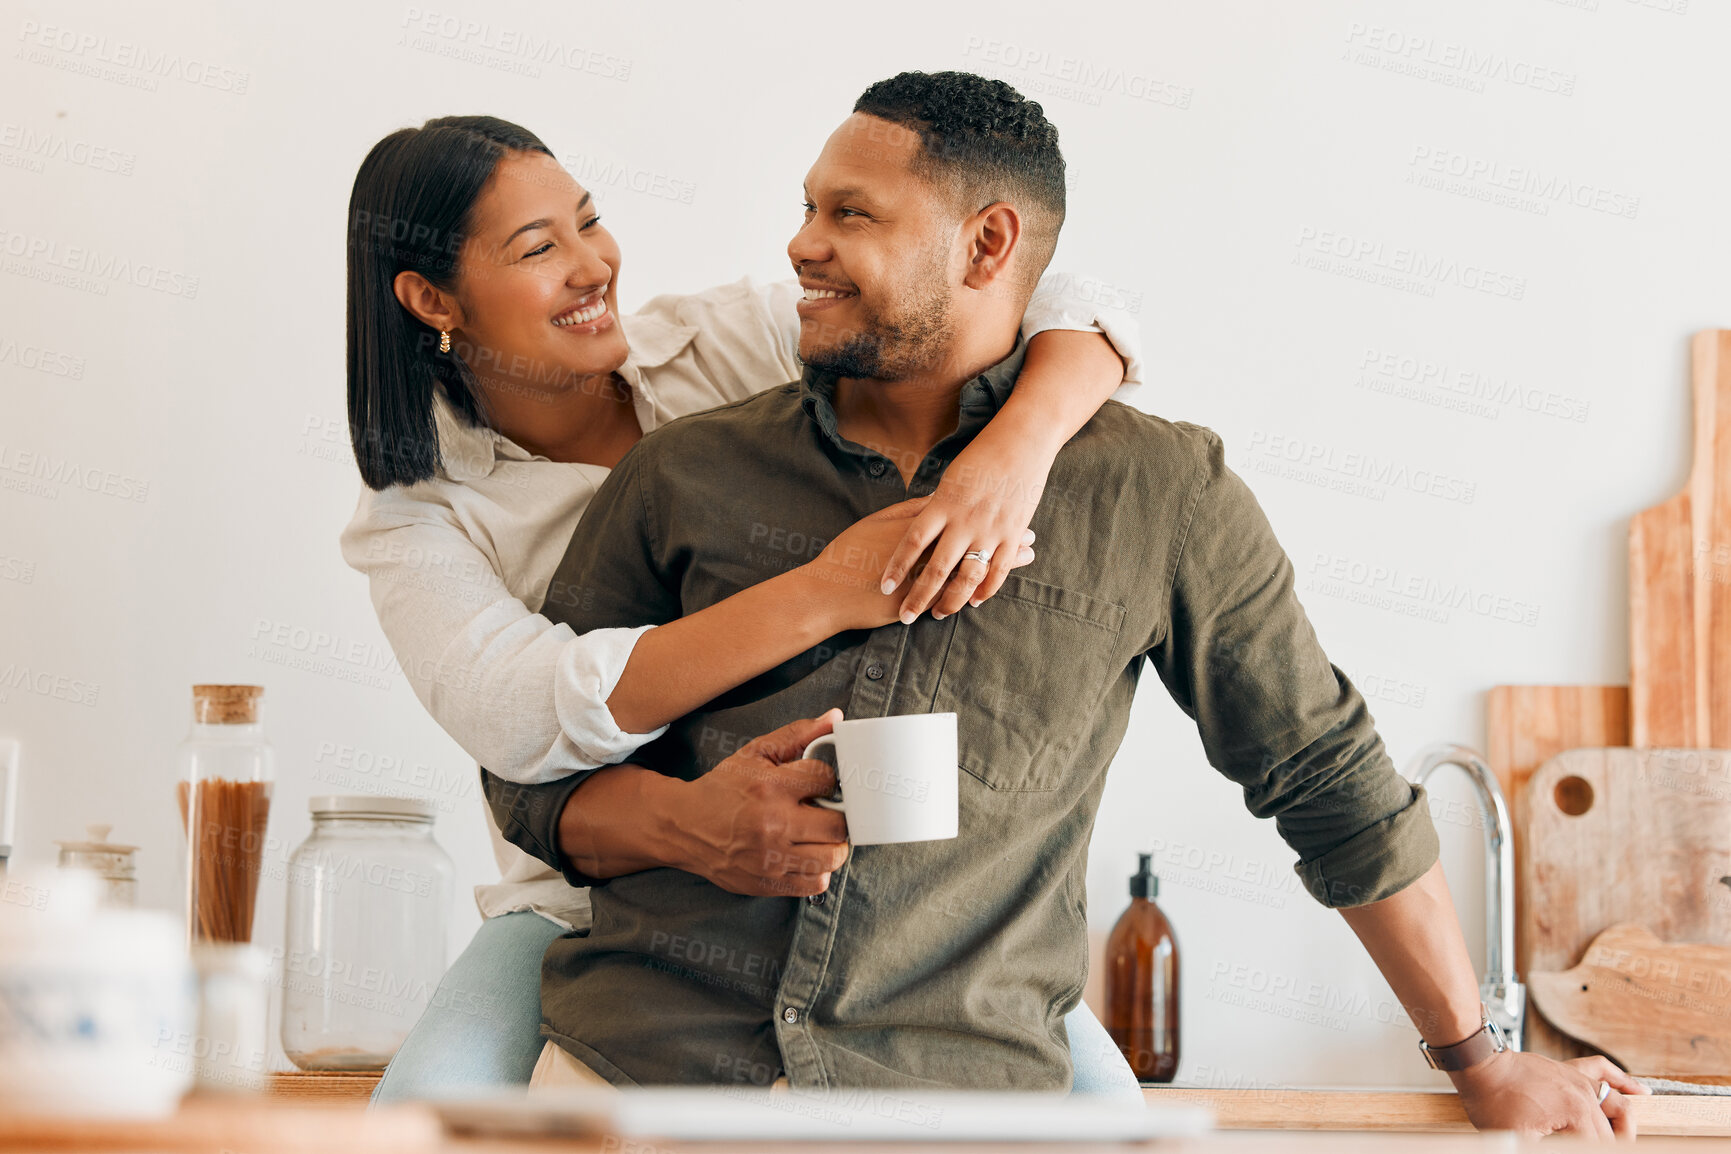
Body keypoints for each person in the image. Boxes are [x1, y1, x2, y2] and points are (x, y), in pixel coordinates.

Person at [485, 73, 1650, 1137]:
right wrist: (695, 823)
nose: (802, 244)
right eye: (808, 208)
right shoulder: (684, 471)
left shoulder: (1157, 493)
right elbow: (532, 779)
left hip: (954, 1107)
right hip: (633, 1085)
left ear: (989, 242)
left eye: (852, 214)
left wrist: (1480, 1060)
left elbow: (1323, 775)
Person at [339, 115, 1144, 1100]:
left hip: (881, 888)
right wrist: (821, 593)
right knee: (413, 1116)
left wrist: (1013, 451)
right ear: (431, 298)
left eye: (589, 223)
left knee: (1113, 1114)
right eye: (540, 248)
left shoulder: (730, 343)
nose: (593, 265)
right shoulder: (419, 522)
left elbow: (1062, 296)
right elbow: (524, 715)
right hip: (587, 902)